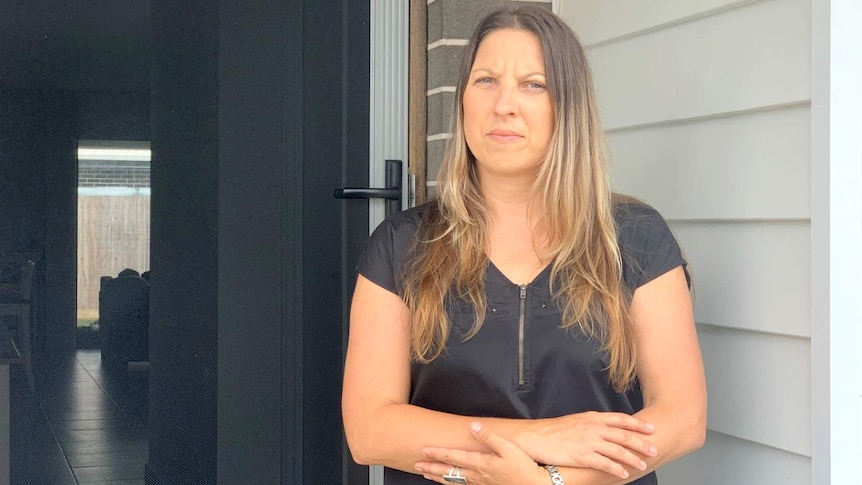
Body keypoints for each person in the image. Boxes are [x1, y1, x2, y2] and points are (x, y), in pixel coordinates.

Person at [342, 6, 706, 485]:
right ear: (464, 102)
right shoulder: (401, 245)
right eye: (486, 80)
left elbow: (682, 420)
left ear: (567, 106)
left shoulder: (636, 237)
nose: (504, 104)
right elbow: (370, 428)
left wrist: (549, 480)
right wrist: (542, 437)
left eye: (533, 84)